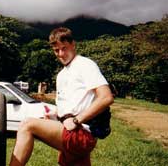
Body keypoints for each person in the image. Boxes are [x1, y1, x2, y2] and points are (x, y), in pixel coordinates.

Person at [9, 27, 114, 166]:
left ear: (73, 44)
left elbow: (106, 97)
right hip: (70, 130)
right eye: (56, 50)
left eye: (64, 48)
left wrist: (77, 120)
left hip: (81, 133)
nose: (61, 54)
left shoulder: (85, 64)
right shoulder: (61, 75)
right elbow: (73, 105)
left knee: (27, 125)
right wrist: (55, 114)